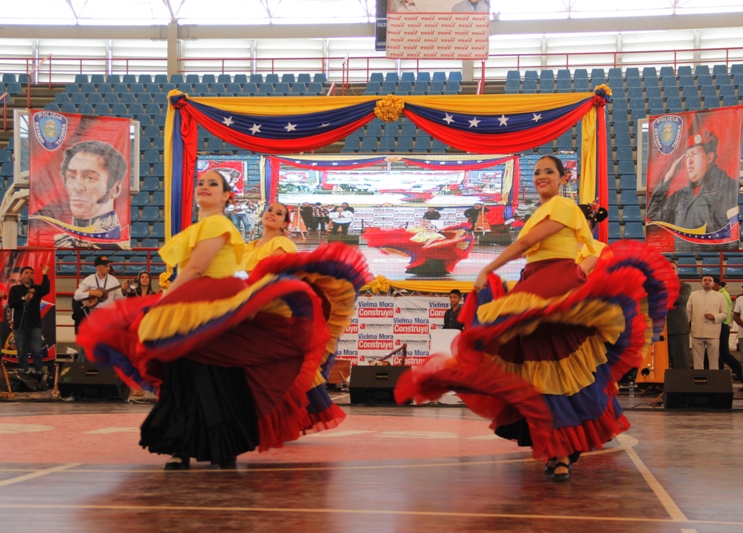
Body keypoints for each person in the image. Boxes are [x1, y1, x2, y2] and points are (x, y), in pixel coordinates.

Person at [395, 155, 677, 482]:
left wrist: (488, 267)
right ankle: (559, 447)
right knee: (541, 369)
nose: (542, 176)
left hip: (554, 285)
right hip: (535, 283)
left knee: (559, 364)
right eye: (538, 172)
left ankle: (562, 450)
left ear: (563, 178)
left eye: (549, 172)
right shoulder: (539, 212)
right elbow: (536, 248)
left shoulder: (563, 206)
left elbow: (528, 243)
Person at [77, 171, 370, 470]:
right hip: (202, 306)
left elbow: (197, 269)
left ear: (227, 196)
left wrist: (160, 302)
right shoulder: (229, 235)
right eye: (201, 182)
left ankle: (206, 446)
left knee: (208, 378)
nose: (204, 186)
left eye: (213, 184)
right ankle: (201, 446)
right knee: (193, 378)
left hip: (213, 309)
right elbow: (226, 272)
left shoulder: (223, 226)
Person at [240, 201, 350, 435]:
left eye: (279, 213)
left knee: (279, 369)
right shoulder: (246, 248)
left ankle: (278, 421)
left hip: (271, 313)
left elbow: (273, 277)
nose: (272, 214)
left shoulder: (282, 243)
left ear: (284, 223)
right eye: (270, 210)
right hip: (246, 314)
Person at [646, 130, 739, 251]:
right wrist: (668, 178)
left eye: (694, 154)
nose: (689, 161)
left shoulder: (728, 186)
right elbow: (653, 219)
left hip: (710, 262)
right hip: (682, 261)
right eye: (687, 156)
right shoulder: (681, 195)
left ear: (710, 157)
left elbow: (732, 233)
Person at [53, 140, 129, 249]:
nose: (77, 187)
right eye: (72, 176)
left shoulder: (122, 245)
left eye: (90, 178)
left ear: (115, 189)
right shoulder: (56, 243)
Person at [362, 219, 474, 277]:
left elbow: (442, 242)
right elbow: (410, 241)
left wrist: (430, 244)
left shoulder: (439, 236)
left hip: (433, 254)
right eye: (427, 226)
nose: (429, 227)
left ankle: (435, 271)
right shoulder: (418, 232)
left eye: (431, 226)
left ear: (435, 229)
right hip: (420, 252)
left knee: (431, 262)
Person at [72, 255, 126, 362]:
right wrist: (93, 292)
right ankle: (83, 370)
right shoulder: (89, 279)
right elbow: (77, 295)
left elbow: (120, 300)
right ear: (98, 267)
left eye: (109, 265)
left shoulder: (113, 280)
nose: (108, 268)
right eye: (105, 266)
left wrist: (124, 292)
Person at [8, 265, 50, 374]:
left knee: (36, 351)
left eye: (31, 273)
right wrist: (23, 298)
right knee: (21, 351)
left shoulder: (36, 289)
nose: (29, 275)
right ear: (21, 276)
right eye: (26, 273)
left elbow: (46, 289)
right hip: (19, 325)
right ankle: (24, 373)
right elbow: (11, 304)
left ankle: (39, 373)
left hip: (34, 324)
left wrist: (45, 274)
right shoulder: (15, 289)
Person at [687, 274, 728, 370]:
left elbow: (725, 314)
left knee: (714, 361)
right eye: (705, 280)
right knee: (697, 361)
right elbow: (688, 312)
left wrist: (714, 316)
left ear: (714, 283)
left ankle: (714, 382)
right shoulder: (693, 295)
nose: (707, 281)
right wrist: (686, 327)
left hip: (713, 332)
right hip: (697, 331)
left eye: (710, 280)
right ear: (701, 283)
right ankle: (698, 380)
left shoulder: (720, 296)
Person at [713, 276, 742, 380]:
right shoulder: (723, 294)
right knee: (720, 353)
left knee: (724, 354)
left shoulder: (721, 295)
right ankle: (720, 376)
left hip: (722, 325)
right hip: (722, 325)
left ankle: (741, 373)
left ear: (715, 284)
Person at [666, 261, 692, 369]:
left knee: (680, 359)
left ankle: (682, 384)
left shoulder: (685, 286)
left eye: (673, 268)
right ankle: (661, 383)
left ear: (677, 271)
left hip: (678, 328)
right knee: (660, 360)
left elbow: (680, 299)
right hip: (660, 328)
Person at [576, 203, 609, 274]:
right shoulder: (562, 247)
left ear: (593, 227)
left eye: (584, 221)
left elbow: (580, 272)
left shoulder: (599, 248)